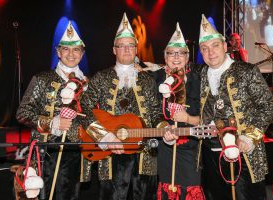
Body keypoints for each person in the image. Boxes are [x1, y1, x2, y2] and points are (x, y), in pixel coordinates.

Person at [80, 13, 165, 200]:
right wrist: (105, 135)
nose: (127, 50)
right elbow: (83, 108)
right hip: (110, 153)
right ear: (114, 50)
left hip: (145, 155)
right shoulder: (101, 77)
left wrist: (164, 127)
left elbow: (156, 111)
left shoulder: (147, 80)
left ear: (136, 49)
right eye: (122, 46)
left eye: (131, 45)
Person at [198, 14, 273, 200]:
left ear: (225, 46)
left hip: (245, 154)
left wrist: (250, 137)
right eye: (204, 49)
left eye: (215, 46)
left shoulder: (247, 71)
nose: (211, 52)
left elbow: (267, 105)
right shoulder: (200, 75)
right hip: (211, 156)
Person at [16, 20, 87, 199]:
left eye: (76, 49)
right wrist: (52, 122)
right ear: (58, 52)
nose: (71, 54)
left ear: (82, 53)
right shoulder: (41, 78)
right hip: (45, 153)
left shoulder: (88, 84)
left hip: (76, 155)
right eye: (66, 49)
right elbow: (23, 113)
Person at [153, 23, 205, 199]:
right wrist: (162, 127)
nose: (176, 57)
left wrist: (188, 118)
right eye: (171, 53)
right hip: (165, 146)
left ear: (188, 56)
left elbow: (209, 116)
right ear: (164, 56)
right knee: (169, 186)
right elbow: (150, 112)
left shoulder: (199, 79)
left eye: (180, 53)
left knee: (190, 187)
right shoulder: (155, 79)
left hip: (191, 146)